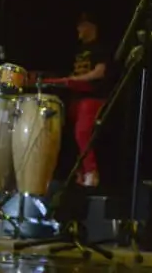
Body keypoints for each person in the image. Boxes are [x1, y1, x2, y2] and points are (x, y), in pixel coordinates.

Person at [47, 12, 110, 187]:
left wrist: (76, 80)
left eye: (82, 26)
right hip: (76, 97)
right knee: (63, 129)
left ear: (91, 27)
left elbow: (99, 72)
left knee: (82, 131)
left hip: (93, 97)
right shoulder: (78, 50)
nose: (78, 29)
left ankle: (91, 172)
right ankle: (77, 172)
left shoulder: (100, 48)